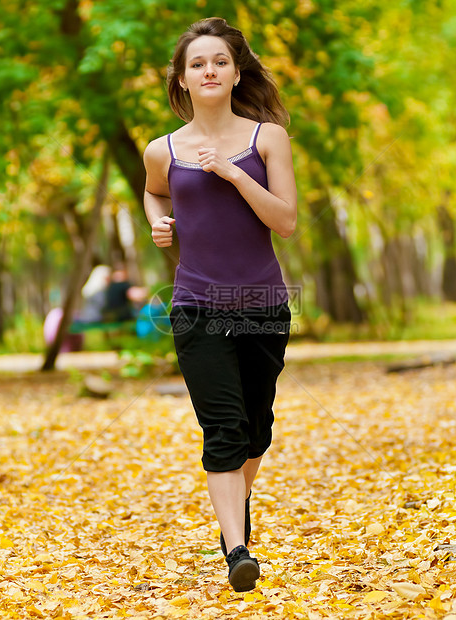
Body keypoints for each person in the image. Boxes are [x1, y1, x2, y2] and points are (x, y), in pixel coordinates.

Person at [143, 17, 297, 592]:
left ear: (235, 74)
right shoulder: (163, 149)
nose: (209, 70)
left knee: (257, 428)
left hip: (261, 303)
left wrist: (232, 173)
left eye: (220, 62)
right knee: (224, 428)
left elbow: (286, 222)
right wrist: (159, 221)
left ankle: (234, 508)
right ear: (181, 80)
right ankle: (236, 549)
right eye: (197, 64)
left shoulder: (267, 139)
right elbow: (155, 188)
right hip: (196, 303)